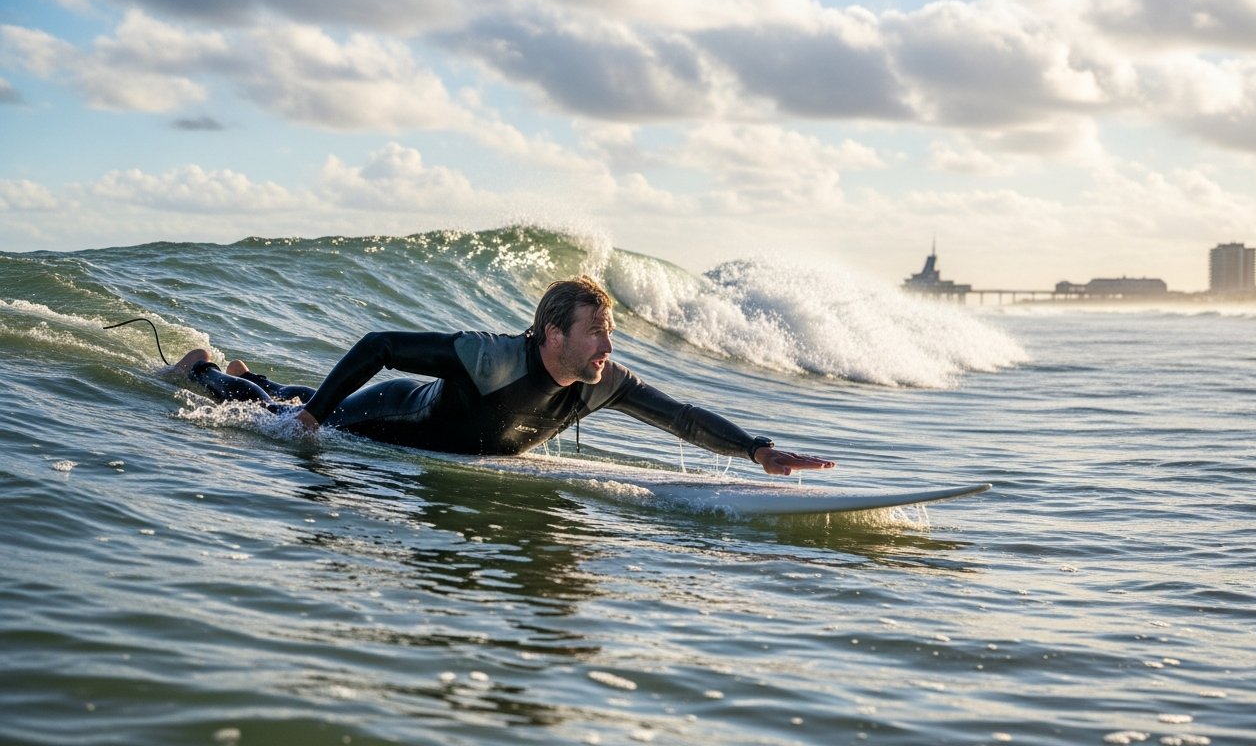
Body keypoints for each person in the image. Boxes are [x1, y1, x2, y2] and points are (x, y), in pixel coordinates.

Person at [174, 275, 835, 476]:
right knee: (275, 410)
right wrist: (318, 415)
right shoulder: (490, 358)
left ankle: (252, 375)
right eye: (595, 333)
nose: (607, 346)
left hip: (450, 446)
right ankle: (205, 368)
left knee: (286, 395)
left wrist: (756, 449)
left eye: (610, 333)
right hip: (388, 417)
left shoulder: (600, 380)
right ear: (553, 336)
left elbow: (680, 416)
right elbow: (379, 344)